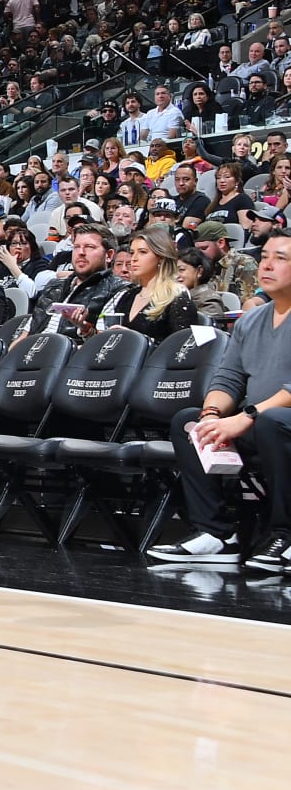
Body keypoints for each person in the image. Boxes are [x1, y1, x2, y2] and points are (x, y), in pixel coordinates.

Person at [146, 230, 291, 569]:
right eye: (265, 257)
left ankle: (285, 534)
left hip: (276, 422)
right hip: (260, 423)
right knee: (189, 422)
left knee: (273, 422)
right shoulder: (252, 319)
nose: (267, 265)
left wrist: (246, 417)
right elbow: (228, 378)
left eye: (280, 259)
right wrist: (212, 414)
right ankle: (216, 534)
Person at [95, 224, 196, 342]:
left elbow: (183, 347)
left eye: (142, 252)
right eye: (132, 253)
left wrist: (138, 341)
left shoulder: (176, 297)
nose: (134, 259)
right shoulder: (127, 296)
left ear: (161, 257)